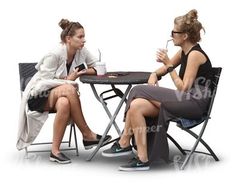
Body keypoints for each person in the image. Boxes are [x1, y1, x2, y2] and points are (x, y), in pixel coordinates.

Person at [102, 9, 213, 171]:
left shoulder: (195, 54)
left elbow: (183, 88)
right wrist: (155, 74)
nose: (171, 35)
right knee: (137, 105)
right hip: (185, 100)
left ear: (185, 36)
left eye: (174, 32)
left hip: (193, 103)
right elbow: (162, 70)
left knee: (138, 90)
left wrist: (168, 65)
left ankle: (124, 140)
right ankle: (142, 158)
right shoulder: (184, 51)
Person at [17, 19, 111, 164]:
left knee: (64, 103)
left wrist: (80, 72)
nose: (84, 40)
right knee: (69, 89)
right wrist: (68, 79)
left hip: (59, 97)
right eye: (80, 37)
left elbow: (97, 68)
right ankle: (87, 134)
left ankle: (55, 151)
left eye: (84, 36)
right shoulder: (54, 54)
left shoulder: (81, 50)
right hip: (39, 96)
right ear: (68, 39)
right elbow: (43, 84)